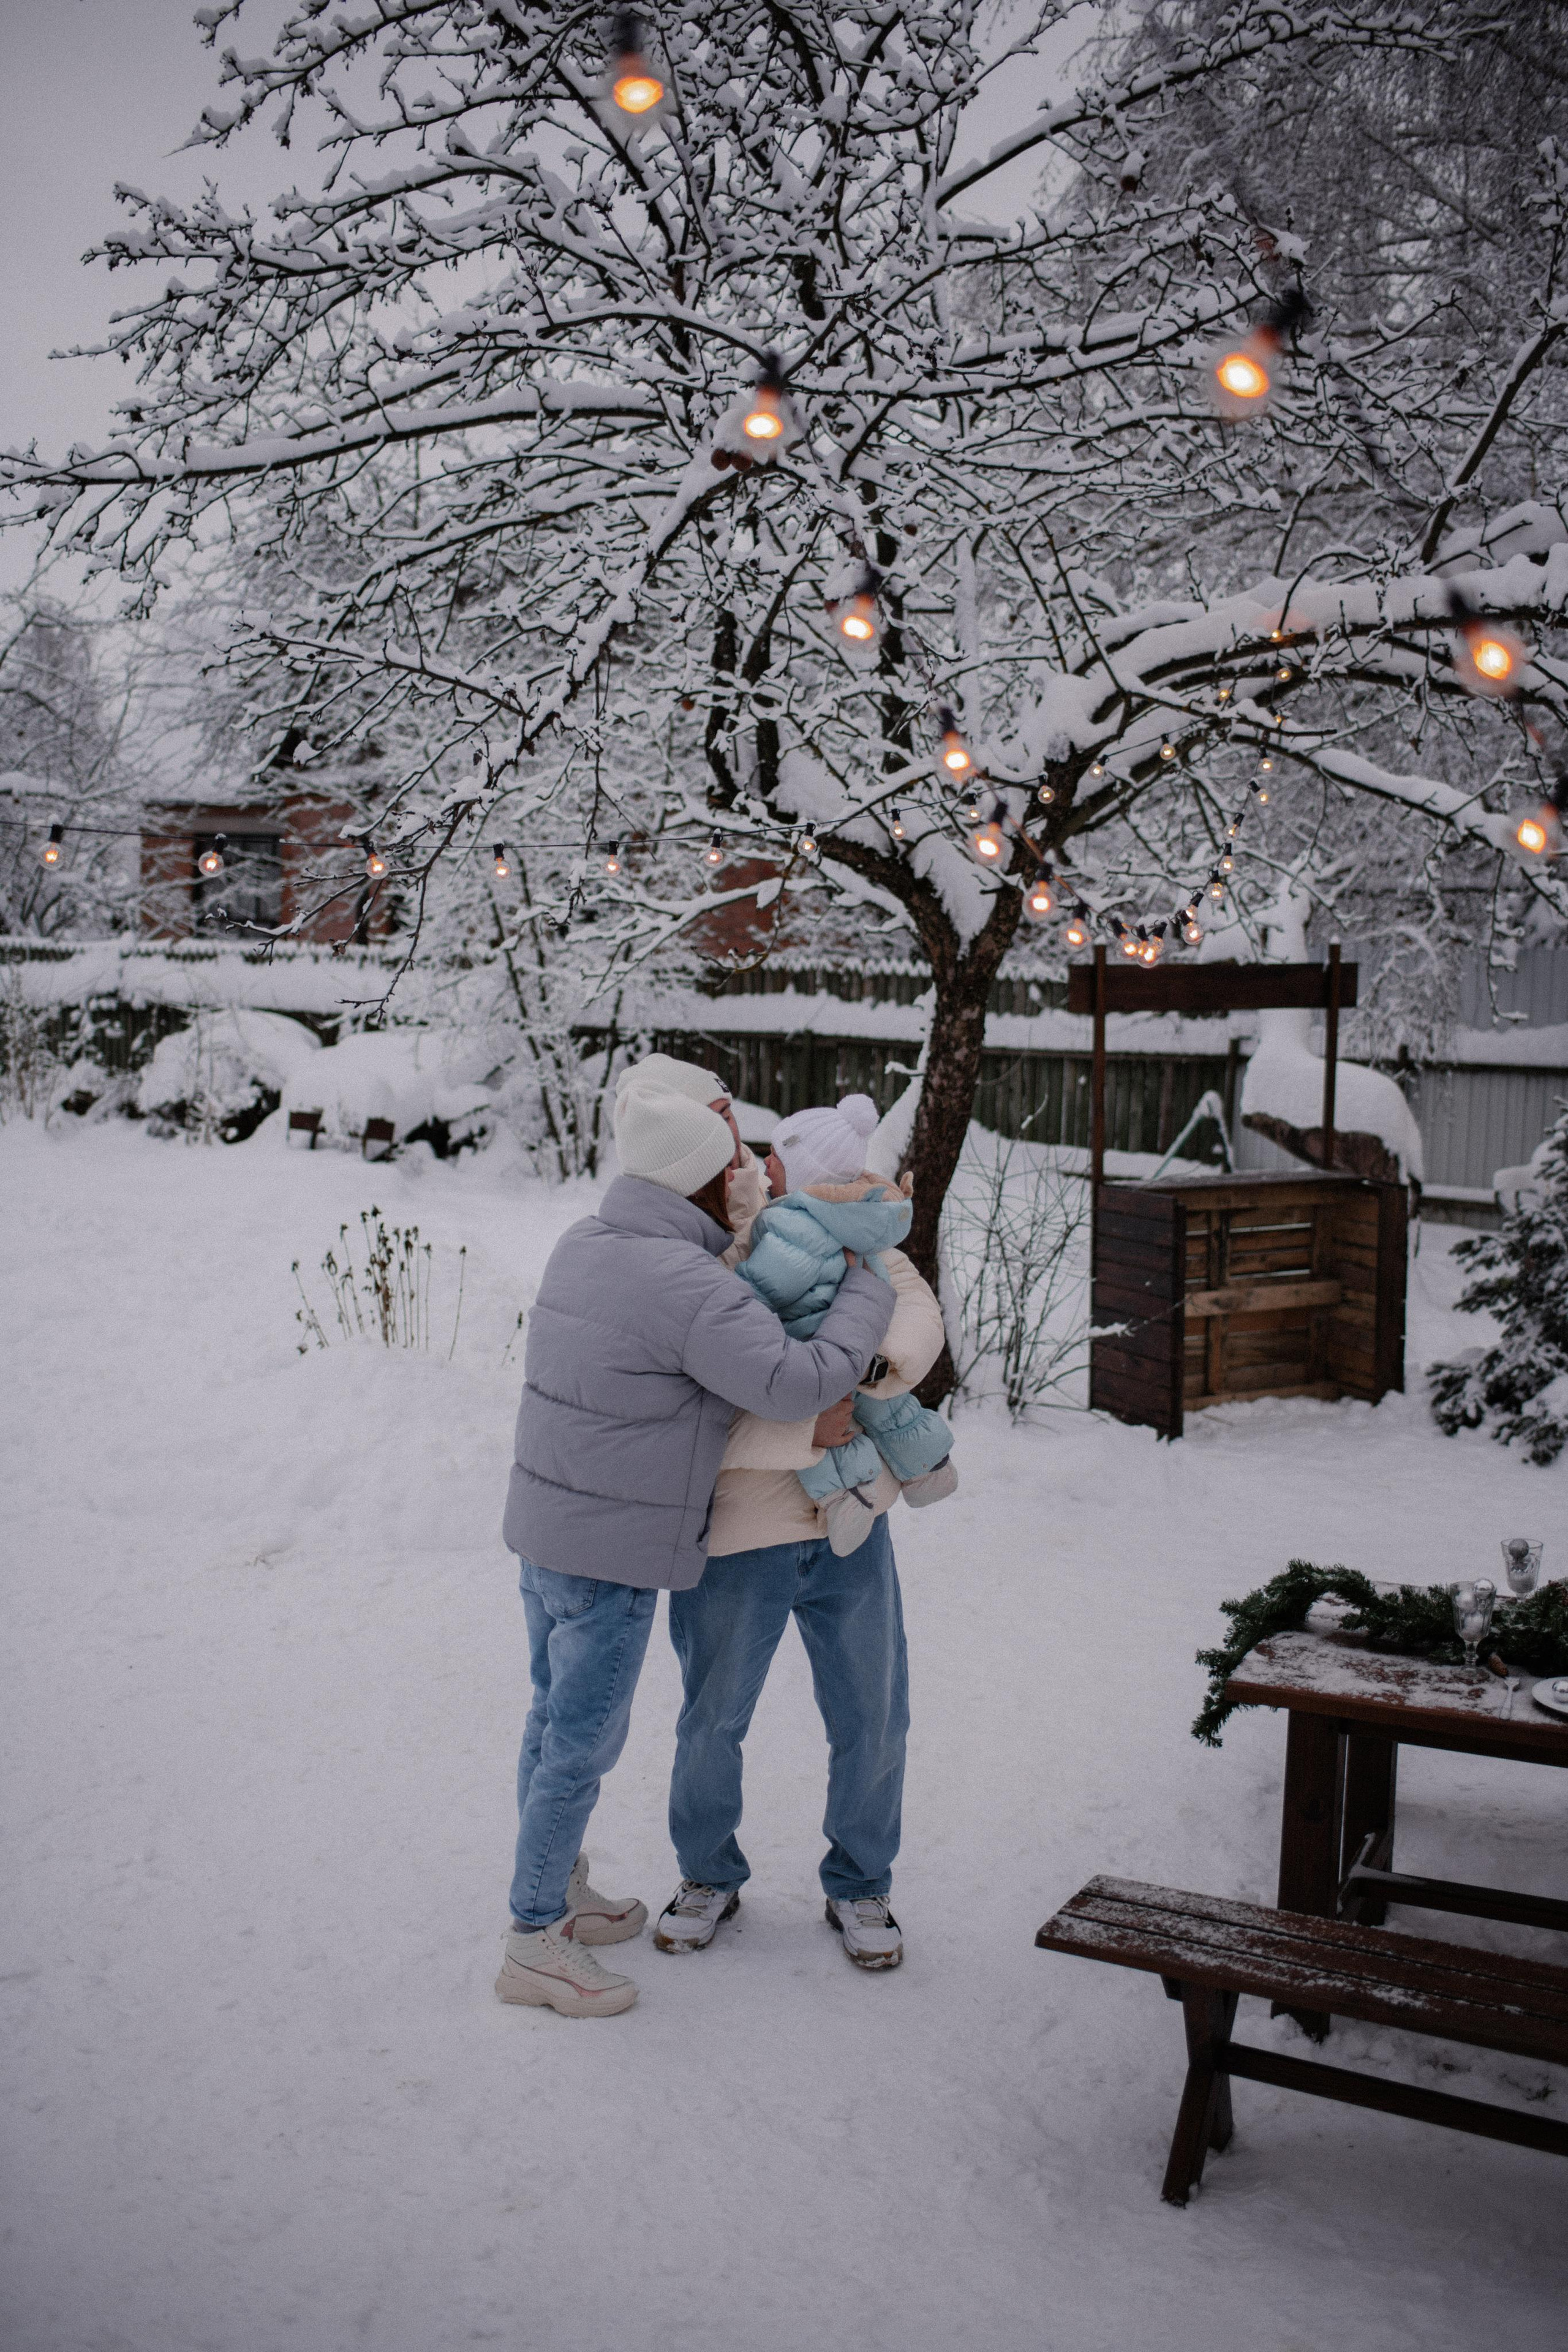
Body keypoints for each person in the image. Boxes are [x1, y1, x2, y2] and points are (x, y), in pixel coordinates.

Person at [495, 1072, 894, 2018]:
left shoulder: (584, 1242)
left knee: (549, 1725)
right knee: (580, 1748)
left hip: (545, 1537)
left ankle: (563, 1889)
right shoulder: (683, 1283)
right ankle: (533, 1938)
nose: (746, 1181)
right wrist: (863, 1300)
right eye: (731, 1171)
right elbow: (797, 1385)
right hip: (613, 1556)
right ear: (702, 1184)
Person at [654, 1102, 946, 1972]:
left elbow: (917, 1315)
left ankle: (861, 1883)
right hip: (746, 1530)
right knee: (713, 1719)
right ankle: (707, 1873)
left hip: (855, 1522)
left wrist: (860, 1372)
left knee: (873, 1713)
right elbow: (707, 1405)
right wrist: (802, 1418)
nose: (771, 1172)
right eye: (762, 1160)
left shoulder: (865, 1244)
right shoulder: (730, 1259)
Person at [733, 1092, 957, 1556]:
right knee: (890, 1411)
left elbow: (763, 1291)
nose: (766, 1164)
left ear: (804, 1174)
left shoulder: (793, 1227)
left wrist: (735, 1293)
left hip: (813, 1349)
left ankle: (846, 1498)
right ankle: (929, 1464)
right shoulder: (854, 1219)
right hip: (860, 1339)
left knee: (825, 1432)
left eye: (776, 1157)